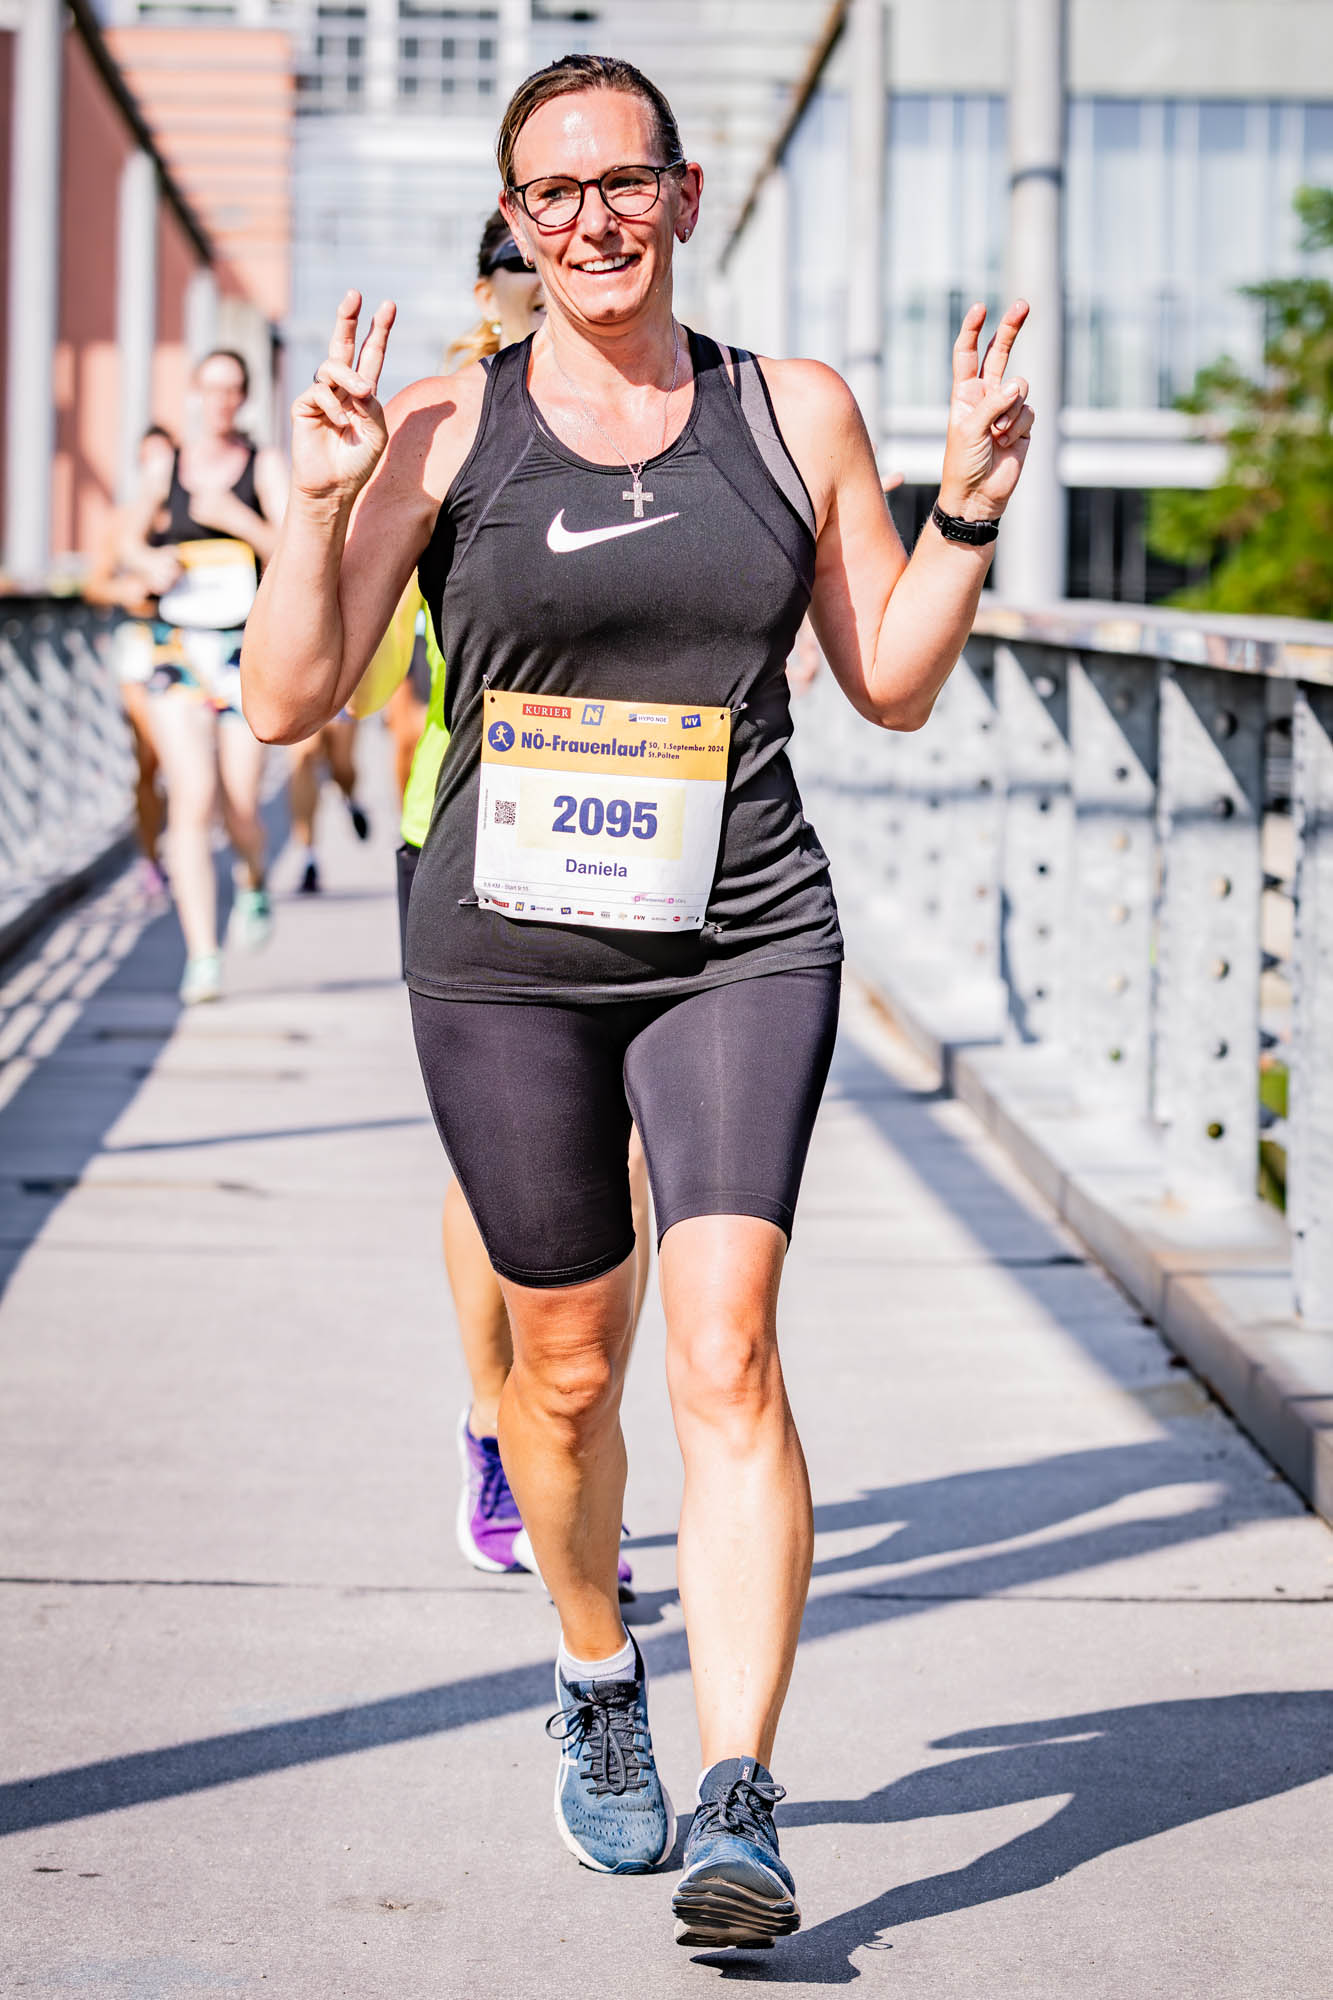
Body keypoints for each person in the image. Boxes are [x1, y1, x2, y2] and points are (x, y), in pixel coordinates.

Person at [241, 52, 1034, 1953]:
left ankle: (740, 1795)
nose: (591, 220)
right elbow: (284, 700)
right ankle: (598, 1668)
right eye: (553, 193)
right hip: (507, 956)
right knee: (570, 1365)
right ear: (515, 222)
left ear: (679, 196)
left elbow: (891, 682)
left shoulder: (792, 410)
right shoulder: (442, 425)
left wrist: (965, 513)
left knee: (726, 1349)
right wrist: (315, 508)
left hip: (736, 931)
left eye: (623, 183)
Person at [351, 209, 650, 1584]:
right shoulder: (447, 429)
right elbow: (358, 662)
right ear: (494, 284)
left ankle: (572, 1447)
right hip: (473, 831)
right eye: (534, 258)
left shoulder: (666, 418)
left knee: (629, 1169)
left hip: (646, 835)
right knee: (508, 1165)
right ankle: (494, 1420)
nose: (572, 271)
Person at [123, 349, 287, 1004]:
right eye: (210, 388)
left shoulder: (263, 465)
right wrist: (148, 563)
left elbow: (294, 549)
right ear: (194, 393)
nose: (220, 400)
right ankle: (202, 955)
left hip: (244, 652)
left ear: (243, 397)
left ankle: (253, 879)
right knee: (190, 796)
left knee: (240, 805)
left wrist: (237, 519)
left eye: (232, 389)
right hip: (178, 651)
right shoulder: (166, 465)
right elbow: (126, 538)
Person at [81, 425, 176, 896]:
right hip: (138, 644)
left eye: (165, 460)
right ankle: (150, 856)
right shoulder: (123, 521)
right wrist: (128, 589)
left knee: (182, 759)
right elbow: (94, 585)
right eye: (149, 461)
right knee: (150, 754)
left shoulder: (188, 515)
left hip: (183, 643)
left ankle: (181, 841)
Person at [286, 716, 371, 894]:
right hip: (301, 700)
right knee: (304, 756)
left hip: (341, 703)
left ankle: (351, 800)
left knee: (341, 766)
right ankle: (309, 857)